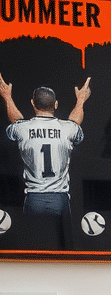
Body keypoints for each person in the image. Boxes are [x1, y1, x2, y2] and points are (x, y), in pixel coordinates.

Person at [0, 74, 91, 246]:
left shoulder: (23, 129)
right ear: (56, 105)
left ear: (33, 104)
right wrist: (80, 101)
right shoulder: (68, 129)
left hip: (34, 198)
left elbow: (17, 122)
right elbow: (74, 124)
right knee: (64, 247)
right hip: (60, 198)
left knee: (31, 248)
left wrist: (7, 97)